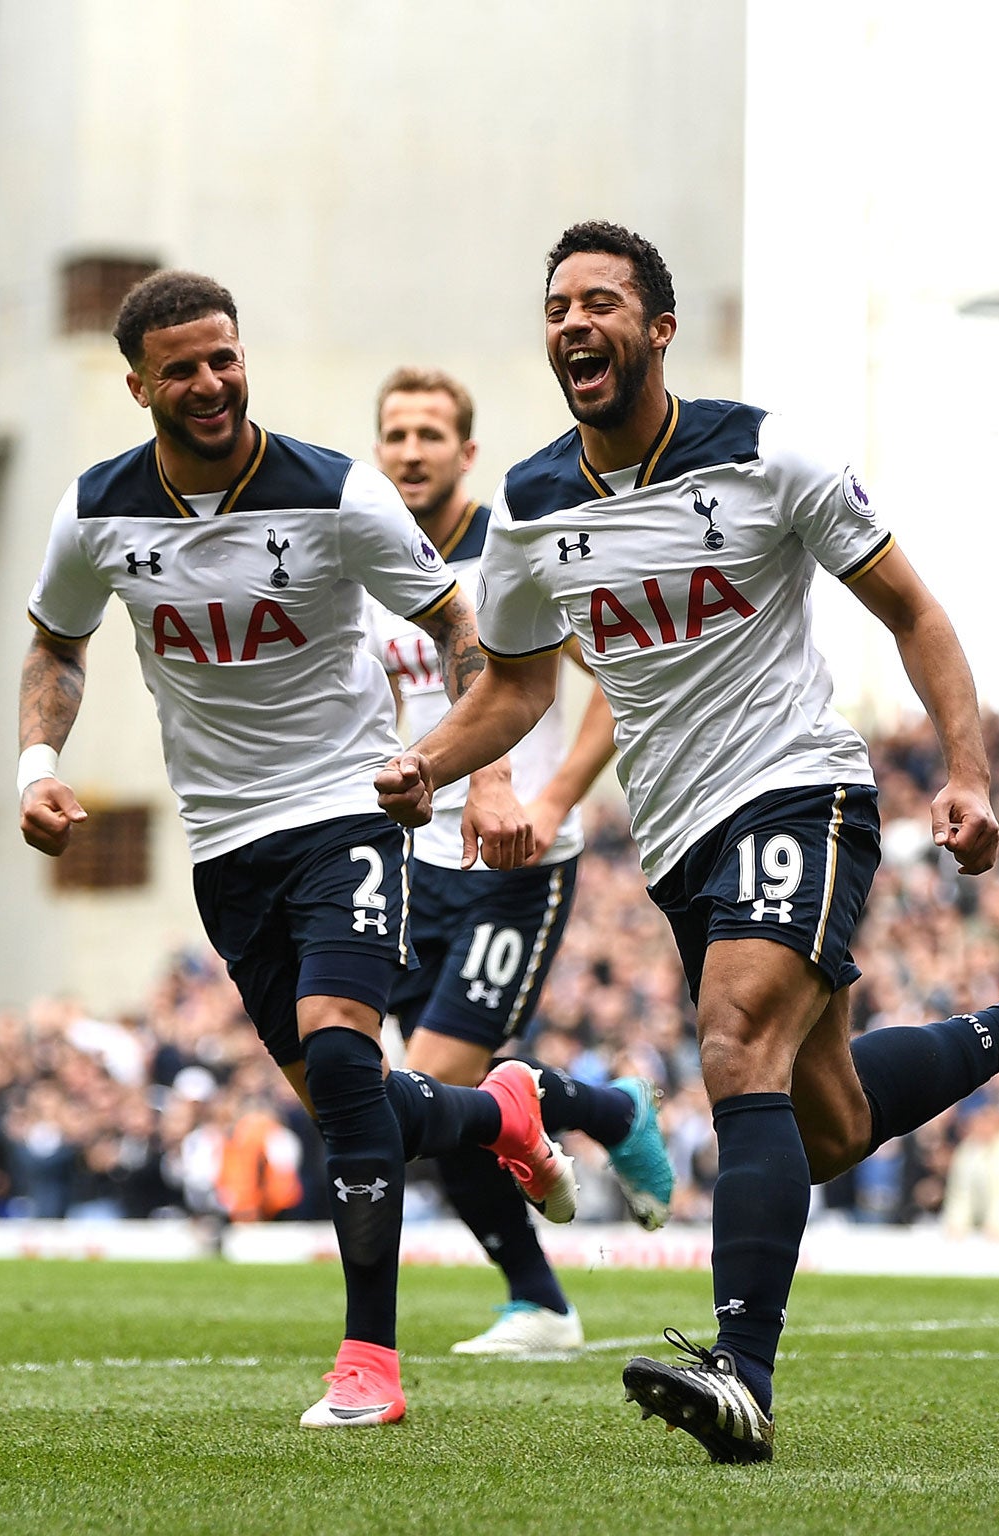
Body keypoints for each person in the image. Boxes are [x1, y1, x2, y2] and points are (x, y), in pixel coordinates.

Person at [376, 221, 999, 1464]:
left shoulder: (769, 454)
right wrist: (430, 762)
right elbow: (509, 687)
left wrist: (968, 770)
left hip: (796, 791)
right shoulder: (530, 504)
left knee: (733, 1046)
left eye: (601, 302)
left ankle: (743, 1375)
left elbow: (912, 611)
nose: (574, 323)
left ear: (658, 330)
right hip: (670, 837)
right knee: (821, 1125)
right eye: (558, 306)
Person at [18, 271, 607, 1428]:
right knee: (361, 1104)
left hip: (347, 810)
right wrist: (38, 765)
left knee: (343, 1067)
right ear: (137, 383)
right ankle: (503, 1116)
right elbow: (58, 646)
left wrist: (454, 765)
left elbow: (463, 634)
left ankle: (369, 1367)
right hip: (223, 843)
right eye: (181, 367)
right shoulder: (95, 511)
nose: (210, 383)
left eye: (224, 357)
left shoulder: (337, 491)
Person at [369, 367, 673, 1356]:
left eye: (429, 434)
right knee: (439, 1106)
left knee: (422, 1088)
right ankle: (539, 1300)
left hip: (514, 864)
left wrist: (551, 798)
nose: (409, 449)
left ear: (466, 452)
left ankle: (603, 1111)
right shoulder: (372, 564)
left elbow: (618, 682)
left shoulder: (516, 551)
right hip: (415, 866)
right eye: (394, 434)